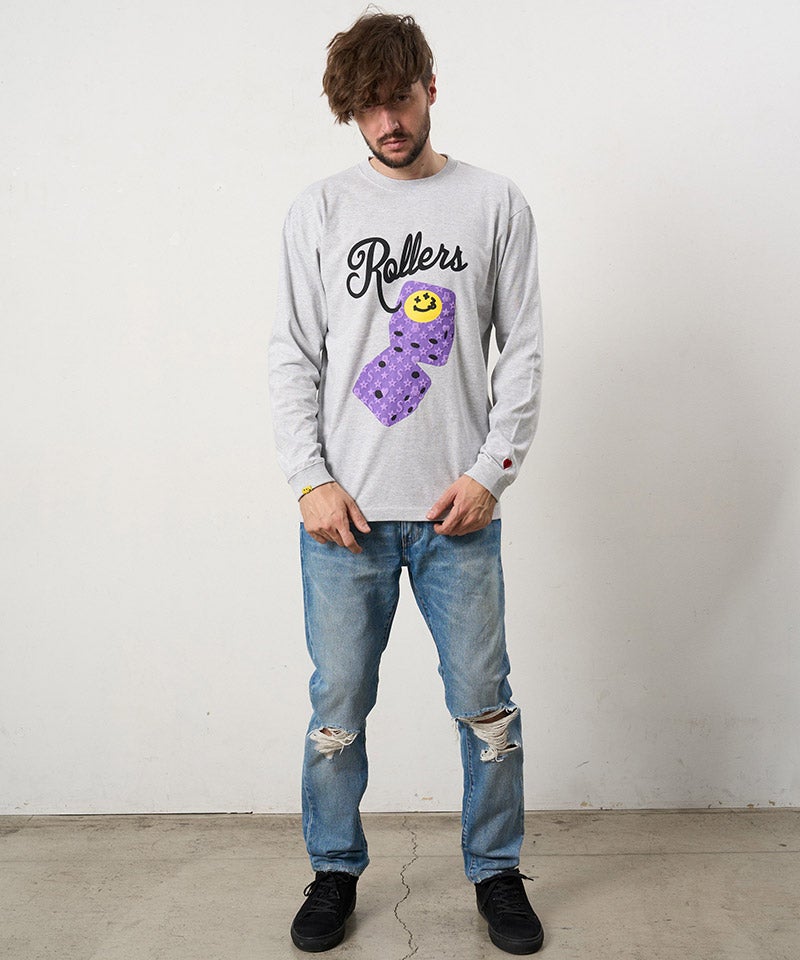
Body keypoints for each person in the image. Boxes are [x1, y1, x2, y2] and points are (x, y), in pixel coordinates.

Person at [268, 11, 544, 955]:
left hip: (456, 514)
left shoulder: (494, 203)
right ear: (351, 112)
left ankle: (497, 872)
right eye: (367, 107)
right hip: (343, 520)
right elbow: (292, 356)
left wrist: (491, 472)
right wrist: (309, 481)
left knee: (486, 706)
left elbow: (523, 353)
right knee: (337, 712)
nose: (387, 121)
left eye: (399, 97)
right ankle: (333, 872)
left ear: (431, 85)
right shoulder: (320, 210)